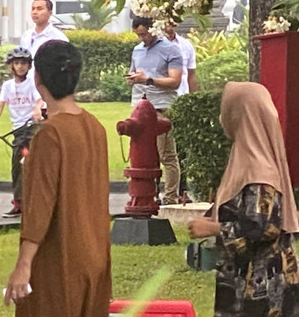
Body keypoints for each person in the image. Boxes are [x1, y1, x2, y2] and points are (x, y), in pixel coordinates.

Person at [5, 40, 111, 316]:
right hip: (95, 254)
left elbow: (40, 206)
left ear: (37, 77)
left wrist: (24, 264)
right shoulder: (95, 127)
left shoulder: (50, 135)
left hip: (59, 257)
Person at [188, 82, 299, 316]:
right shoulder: (245, 160)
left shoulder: (258, 169)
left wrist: (214, 228)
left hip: (261, 289)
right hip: (242, 277)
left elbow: (264, 228)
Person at [127, 16, 183, 205]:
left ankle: (170, 196)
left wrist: (148, 79)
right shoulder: (137, 50)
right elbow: (135, 73)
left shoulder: (170, 49)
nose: (142, 38)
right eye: (138, 35)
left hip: (161, 107)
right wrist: (133, 79)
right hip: (140, 107)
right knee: (142, 154)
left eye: (144, 33)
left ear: (153, 28)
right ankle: (148, 194)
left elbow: (175, 81)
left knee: (166, 154)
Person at [0, 47, 43, 218]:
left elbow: (40, 99)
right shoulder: (7, 86)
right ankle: (18, 202)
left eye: (24, 63)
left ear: (29, 66)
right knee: (16, 166)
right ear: (11, 66)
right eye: (17, 63)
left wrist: (37, 109)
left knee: (34, 158)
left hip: (32, 126)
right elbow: (0, 105)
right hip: (18, 129)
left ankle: (40, 199)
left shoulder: (32, 83)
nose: (20, 67)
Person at [164, 21, 198, 95]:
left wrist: (194, 97)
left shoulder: (186, 45)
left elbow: (191, 75)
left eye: (171, 20)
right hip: (161, 99)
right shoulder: (154, 45)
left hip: (182, 95)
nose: (169, 24)